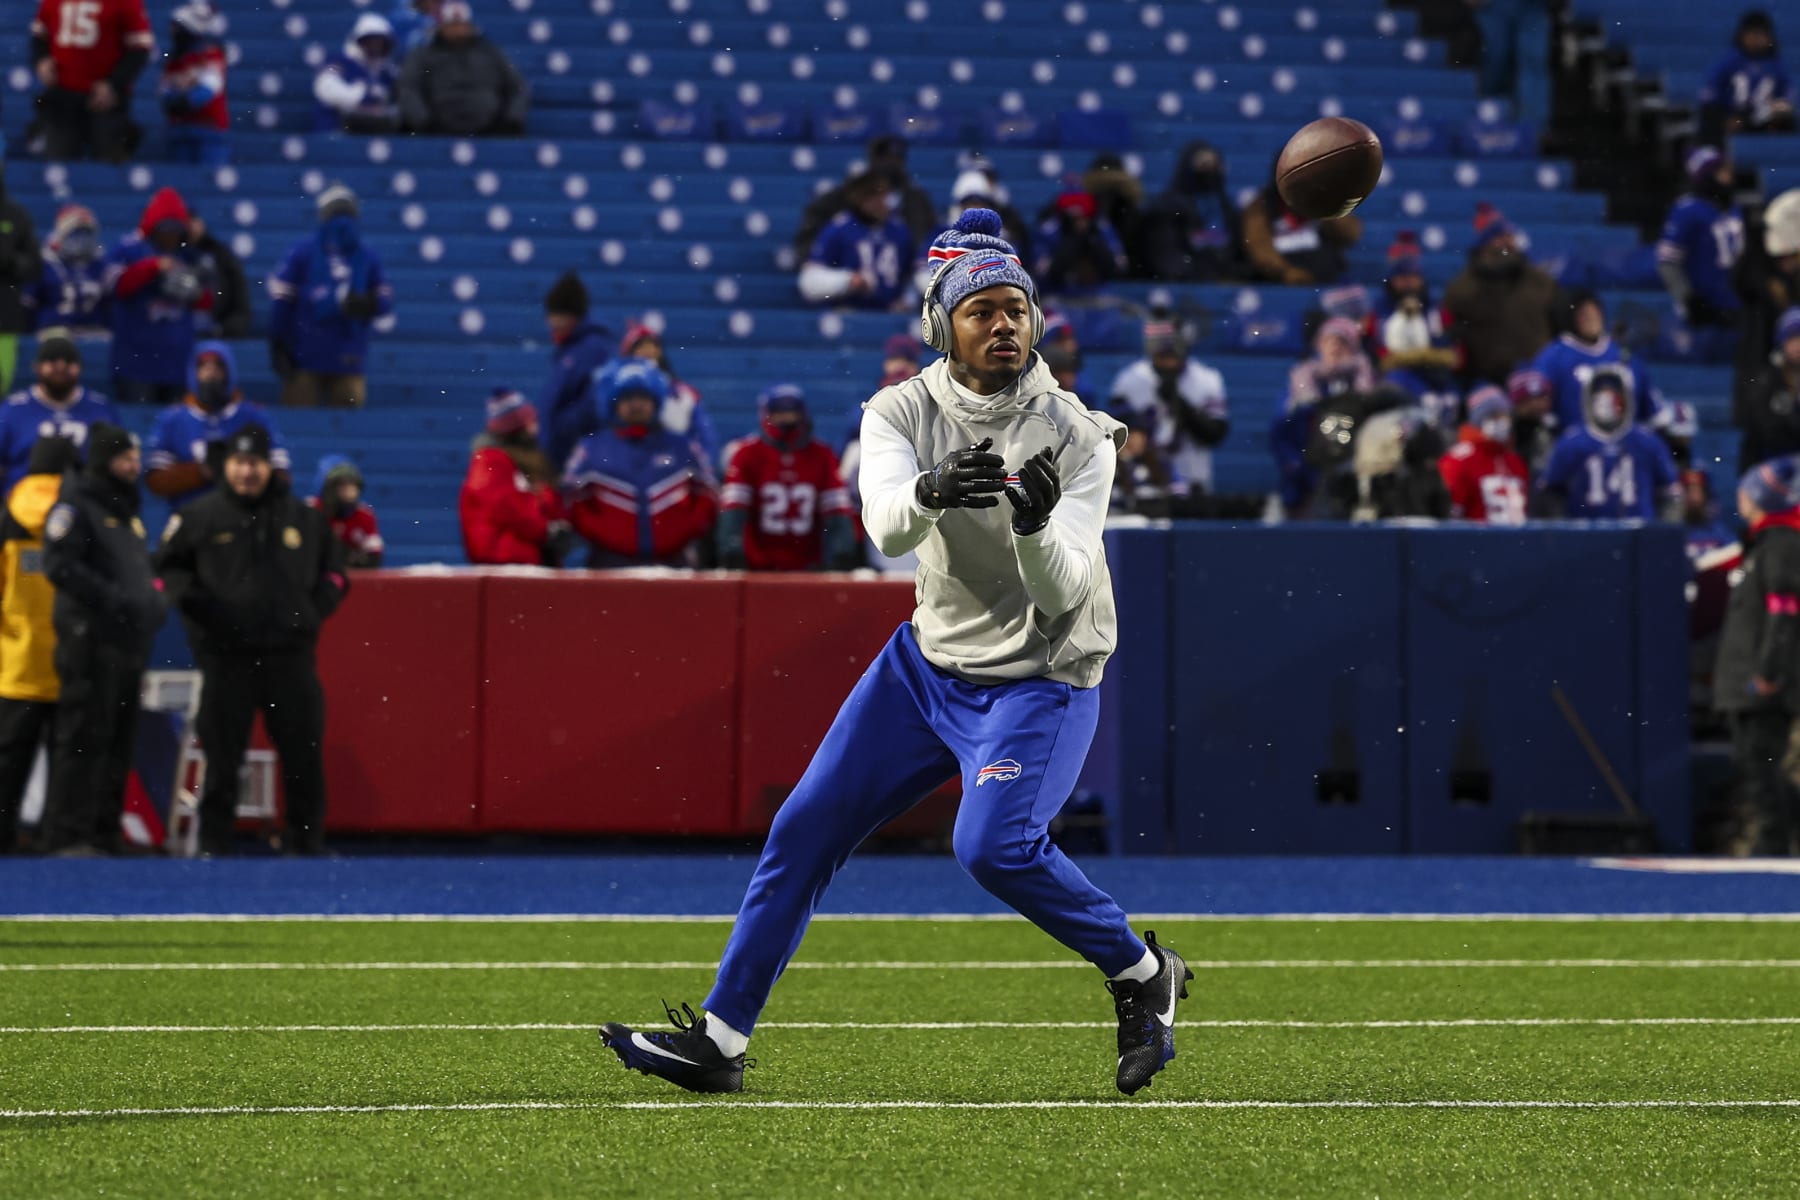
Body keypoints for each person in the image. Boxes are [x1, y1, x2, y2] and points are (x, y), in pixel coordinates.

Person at [598, 208, 1195, 1099]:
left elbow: (1066, 589)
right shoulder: (901, 410)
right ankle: (721, 1039)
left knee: (993, 847)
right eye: (981, 309)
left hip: (1040, 674)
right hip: (924, 669)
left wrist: (1029, 524)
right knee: (804, 830)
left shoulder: (1077, 432)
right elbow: (884, 528)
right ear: (940, 323)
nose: (1004, 324)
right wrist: (929, 491)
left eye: (1016, 308)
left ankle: (1143, 972)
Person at [156, 425, 345, 856]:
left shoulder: (304, 518)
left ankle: (305, 840)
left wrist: (313, 612)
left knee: (303, 751)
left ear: (268, 466)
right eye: (239, 463)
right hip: (227, 657)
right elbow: (169, 571)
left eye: (254, 463)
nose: (247, 472)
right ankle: (214, 842)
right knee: (223, 756)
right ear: (227, 466)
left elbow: (335, 573)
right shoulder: (199, 516)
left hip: (289, 657)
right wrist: (203, 616)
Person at [38, 422, 163, 855]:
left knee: (117, 738)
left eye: (135, 458)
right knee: (83, 737)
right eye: (125, 458)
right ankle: (66, 834)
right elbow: (59, 564)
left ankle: (104, 831)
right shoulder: (76, 503)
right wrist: (114, 599)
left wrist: (148, 603)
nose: (134, 466)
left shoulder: (125, 507)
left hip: (125, 642)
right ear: (105, 460)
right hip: (89, 639)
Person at [1714, 455, 1800, 855]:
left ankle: (1774, 841)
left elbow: (1784, 615)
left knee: (1763, 766)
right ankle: (1775, 838)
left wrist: (1768, 672)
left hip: (1764, 683)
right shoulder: (1764, 544)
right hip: (1749, 679)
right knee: (1756, 766)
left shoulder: (1780, 545)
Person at [0, 436, 79, 851]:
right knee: (67, 762)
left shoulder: (7, 514)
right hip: (68, 658)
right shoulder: (78, 514)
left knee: (8, 759)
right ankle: (58, 839)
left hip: (16, 660)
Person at [563, 361, 717, 567]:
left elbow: (708, 498)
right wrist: (603, 535)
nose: (636, 404)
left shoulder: (683, 447)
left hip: (673, 564)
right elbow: (570, 503)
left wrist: (682, 533)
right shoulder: (591, 448)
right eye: (627, 398)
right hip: (607, 564)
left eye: (643, 397)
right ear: (613, 403)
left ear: (656, 401)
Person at [268, 185, 393, 409]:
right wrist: (364, 304)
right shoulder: (365, 255)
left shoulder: (303, 251)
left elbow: (282, 302)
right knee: (346, 429)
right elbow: (384, 302)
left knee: (303, 428)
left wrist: (279, 341)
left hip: (308, 354)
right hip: (344, 356)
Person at [718, 384, 857, 571]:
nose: (786, 418)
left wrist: (842, 549)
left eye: (791, 412)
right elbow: (734, 510)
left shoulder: (822, 456)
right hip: (757, 566)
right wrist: (731, 546)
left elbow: (837, 512)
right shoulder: (747, 454)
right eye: (779, 412)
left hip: (807, 566)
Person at [146, 341, 290, 511]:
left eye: (218, 367)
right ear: (193, 372)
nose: (211, 373)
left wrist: (239, 473)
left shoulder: (255, 416)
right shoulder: (172, 419)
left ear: (230, 371)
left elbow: (282, 477)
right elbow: (155, 482)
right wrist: (200, 472)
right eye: (204, 366)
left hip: (245, 517)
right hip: (190, 518)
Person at [104, 186, 211, 406]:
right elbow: (117, 286)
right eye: (165, 228)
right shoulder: (130, 249)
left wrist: (192, 289)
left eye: (175, 229)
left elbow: (209, 299)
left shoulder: (190, 254)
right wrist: (152, 267)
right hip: (136, 364)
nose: (170, 235)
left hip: (177, 364)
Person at [1107, 312, 1229, 495]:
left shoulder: (1207, 380)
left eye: (1174, 349)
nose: (1168, 356)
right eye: (1161, 348)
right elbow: (1114, 436)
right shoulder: (1130, 380)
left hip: (1193, 481)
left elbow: (1214, 434)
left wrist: (1179, 404)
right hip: (1144, 484)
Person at [1540, 365, 1681, 520]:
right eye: (1600, 398)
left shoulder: (1648, 442)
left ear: (1627, 399)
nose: (1606, 405)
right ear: (1588, 400)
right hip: (1584, 536)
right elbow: (1551, 493)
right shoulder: (1570, 443)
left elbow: (1670, 493)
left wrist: (1662, 533)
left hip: (1639, 536)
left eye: (1614, 398)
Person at [1270, 316, 1378, 518]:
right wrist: (1297, 467)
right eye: (1329, 340)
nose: (1335, 346)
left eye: (1343, 341)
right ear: (1318, 345)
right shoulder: (1300, 382)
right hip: (1305, 482)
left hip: (1354, 481)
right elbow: (1281, 432)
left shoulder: (1367, 385)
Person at [1442, 204, 1559, 386]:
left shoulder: (1541, 282)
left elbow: (1559, 325)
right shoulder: (1461, 289)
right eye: (1498, 237)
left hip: (1539, 381)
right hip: (1487, 383)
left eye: (1509, 236)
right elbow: (1452, 337)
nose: (1506, 242)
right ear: (1484, 244)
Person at [30, 0, 154, 163]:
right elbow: (39, 35)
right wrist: (42, 60)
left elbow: (140, 48)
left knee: (108, 167)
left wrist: (113, 84)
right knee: (59, 162)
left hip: (106, 100)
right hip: (63, 96)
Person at [460, 388, 570, 566]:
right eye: (530, 420)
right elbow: (508, 507)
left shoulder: (527, 459)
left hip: (524, 559)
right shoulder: (491, 460)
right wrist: (546, 530)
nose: (536, 425)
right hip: (505, 561)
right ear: (517, 426)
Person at [0, 335, 118, 496]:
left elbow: (118, 459)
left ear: (80, 368)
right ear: (36, 367)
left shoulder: (101, 408)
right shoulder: (11, 410)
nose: (61, 367)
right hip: (25, 505)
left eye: (69, 361)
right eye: (52, 361)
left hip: (87, 504)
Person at [1531, 290, 1662, 432]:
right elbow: (1537, 406)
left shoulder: (1623, 353)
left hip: (1625, 445)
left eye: (1595, 312)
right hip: (1573, 445)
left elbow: (1650, 410)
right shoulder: (1553, 357)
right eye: (1584, 315)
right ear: (1568, 318)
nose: (1592, 319)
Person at [791, 135, 938, 260]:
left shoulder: (917, 201)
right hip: (852, 275)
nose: (891, 164)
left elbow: (929, 241)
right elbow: (810, 240)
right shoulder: (843, 197)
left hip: (901, 276)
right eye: (884, 158)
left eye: (897, 158)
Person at [397, 1, 528, 137]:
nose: (458, 30)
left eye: (461, 24)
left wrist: (512, 120)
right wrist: (422, 121)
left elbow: (517, 88)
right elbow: (408, 87)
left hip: (490, 129)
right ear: (441, 26)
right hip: (436, 130)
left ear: (470, 25)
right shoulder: (423, 55)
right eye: (452, 24)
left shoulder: (491, 54)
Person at [1370, 232, 1460, 428]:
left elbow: (1451, 344)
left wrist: (1435, 359)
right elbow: (1373, 348)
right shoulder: (1379, 311)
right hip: (1396, 375)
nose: (1408, 282)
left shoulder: (1436, 310)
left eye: (1413, 276)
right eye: (1402, 277)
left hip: (1434, 373)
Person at [797, 172, 913, 311]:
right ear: (860, 199)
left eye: (884, 196)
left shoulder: (899, 229)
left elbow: (912, 274)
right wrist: (847, 281)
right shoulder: (839, 228)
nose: (881, 203)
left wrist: (908, 299)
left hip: (889, 313)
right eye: (874, 197)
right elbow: (810, 281)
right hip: (848, 312)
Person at [1658, 147, 1746, 330]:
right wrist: (1689, 299)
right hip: (1705, 308)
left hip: (1736, 304)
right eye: (1722, 171)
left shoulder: (1734, 208)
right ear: (1707, 176)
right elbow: (1668, 262)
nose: (1729, 176)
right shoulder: (1687, 210)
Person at [1241, 154, 1362, 285]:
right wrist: (1286, 272)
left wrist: (1326, 203)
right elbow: (1259, 247)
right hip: (1279, 279)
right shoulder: (1261, 206)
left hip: (1324, 274)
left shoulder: (1322, 199)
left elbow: (1350, 234)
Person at [1140, 139, 1244, 282]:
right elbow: (1167, 254)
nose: (1209, 170)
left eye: (1214, 164)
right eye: (1203, 165)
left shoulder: (1227, 206)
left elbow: (1238, 251)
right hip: (1186, 284)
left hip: (1221, 282)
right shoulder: (1168, 207)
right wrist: (1198, 276)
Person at [538, 270, 612, 472]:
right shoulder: (569, 350)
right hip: (562, 454)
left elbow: (594, 401)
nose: (550, 322)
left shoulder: (592, 348)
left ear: (570, 316)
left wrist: (561, 429)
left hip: (576, 455)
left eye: (554, 315)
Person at [618, 320, 716, 464]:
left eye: (652, 346)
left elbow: (705, 440)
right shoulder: (615, 396)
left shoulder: (685, 395)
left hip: (676, 472)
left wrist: (697, 468)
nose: (648, 352)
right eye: (640, 347)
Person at [1439, 385, 1529, 524]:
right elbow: (1451, 512)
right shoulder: (1459, 460)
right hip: (1476, 542)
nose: (1502, 421)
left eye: (1505, 415)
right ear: (1479, 419)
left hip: (1516, 541)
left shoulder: (1514, 461)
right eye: (1494, 415)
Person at [1699, 10, 1795, 139]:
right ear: (1741, 36)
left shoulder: (1777, 67)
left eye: (1760, 34)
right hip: (1730, 117)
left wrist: (1775, 109)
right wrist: (1726, 118)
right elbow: (1710, 94)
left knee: (1787, 119)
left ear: (1769, 38)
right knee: (1709, 117)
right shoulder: (1729, 62)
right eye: (1751, 34)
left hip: (1762, 120)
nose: (1755, 39)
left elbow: (1788, 99)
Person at [158, 2, 228, 166]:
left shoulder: (211, 55)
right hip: (180, 130)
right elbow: (165, 91)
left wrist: (185, 100)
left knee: (207, 182)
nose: (172, 31)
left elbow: (210, 86)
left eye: (177, 27)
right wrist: (173, 99)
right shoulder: (173, 61)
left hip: (209, 129)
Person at [27, 204, 108, 342]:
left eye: (87, 233)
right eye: (76, 232)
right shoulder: (45, 263)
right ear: (62, 234)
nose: (82, 239)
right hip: (52, 334)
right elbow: (27, 307)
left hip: (95, 334)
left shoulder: (102, 265)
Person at [315, 13, 403, 133]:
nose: (376, 46)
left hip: (372, 131)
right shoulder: (339, 61)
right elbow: (324, 87)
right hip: (336, 128)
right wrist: (359, 98)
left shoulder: (387, 70)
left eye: (380, 42)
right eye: (371, 41)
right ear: (360, 40)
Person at [1033, 189, 1129, 297]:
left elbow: (1119, 266)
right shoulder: (1049, 231)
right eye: (1075, 219)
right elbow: (1044, 271)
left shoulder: (1101, 228)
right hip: (1059, 294)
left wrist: (1092, 243)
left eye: (1084, 218)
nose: (1080, 223)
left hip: (1099, 294)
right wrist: (1073, 242)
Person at [1739, 308, 1800, 472]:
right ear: (1782, 341)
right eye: (1792, 338)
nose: (1797, 345)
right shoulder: (1766, 379)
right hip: (1771, 467)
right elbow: (1762, 429)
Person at [0, 171, 42, 397]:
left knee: (1, 386)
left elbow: (34, 267)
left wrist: (10, 260)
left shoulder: (16, 216)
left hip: (4, 319)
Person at [307, 456, 383, 569]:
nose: (349, 495)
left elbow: (374, 555)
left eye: (352, 489)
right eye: (342, 488)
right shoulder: (312, 510)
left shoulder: (364, 515)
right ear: (330, 490)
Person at [185, 210, 250, 340]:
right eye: (186, 221)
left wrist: (224, 329)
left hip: (218, 332)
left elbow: (241, 304)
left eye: (193, 220)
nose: (190, 226)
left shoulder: (221, 255)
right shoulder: (168, 257)